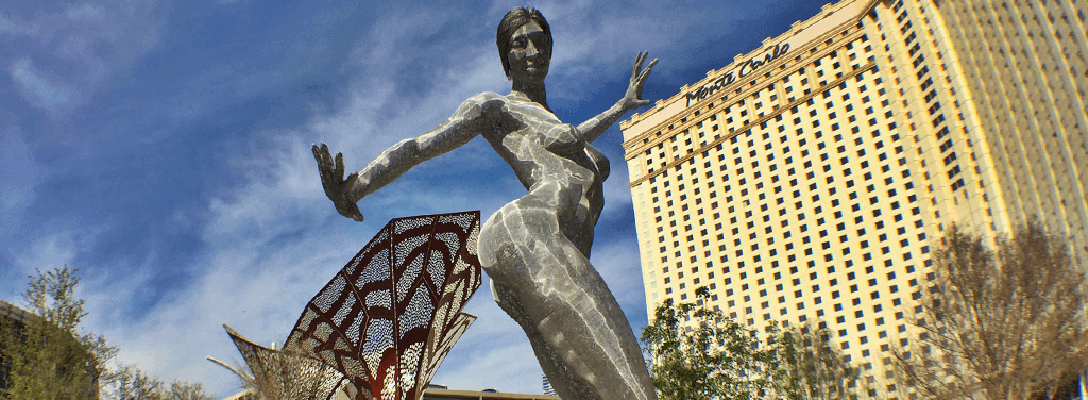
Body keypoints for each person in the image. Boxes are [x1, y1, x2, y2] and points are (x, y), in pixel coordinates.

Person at [312, 7, 657, 399]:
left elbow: (575, 145)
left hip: (553, 255)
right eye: (519, 42)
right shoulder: (497, 107)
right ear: (504, 59)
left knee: (587, 391)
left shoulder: (560, 126)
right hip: (525, 231)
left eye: (541, 42)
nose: (532, 50)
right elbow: (419, 146)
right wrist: (353, 189)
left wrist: (616, 111)